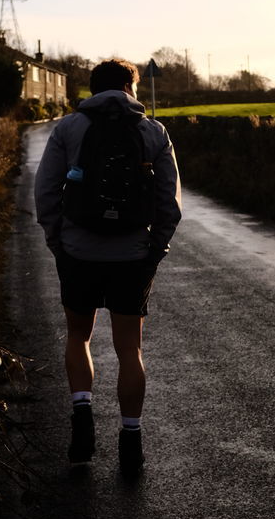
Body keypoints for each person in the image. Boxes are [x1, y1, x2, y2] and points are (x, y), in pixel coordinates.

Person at [34, 58, 181, 477]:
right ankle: (130, 441)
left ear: (94, 88)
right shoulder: (153, 131)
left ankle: (82, 419)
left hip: (78, 250)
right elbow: (169, 202)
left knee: (79, 335)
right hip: (132, 254)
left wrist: (57, 242)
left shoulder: (68, 128)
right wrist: (155, 248)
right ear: (131, 88)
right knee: (129, 349)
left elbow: (45, 191)